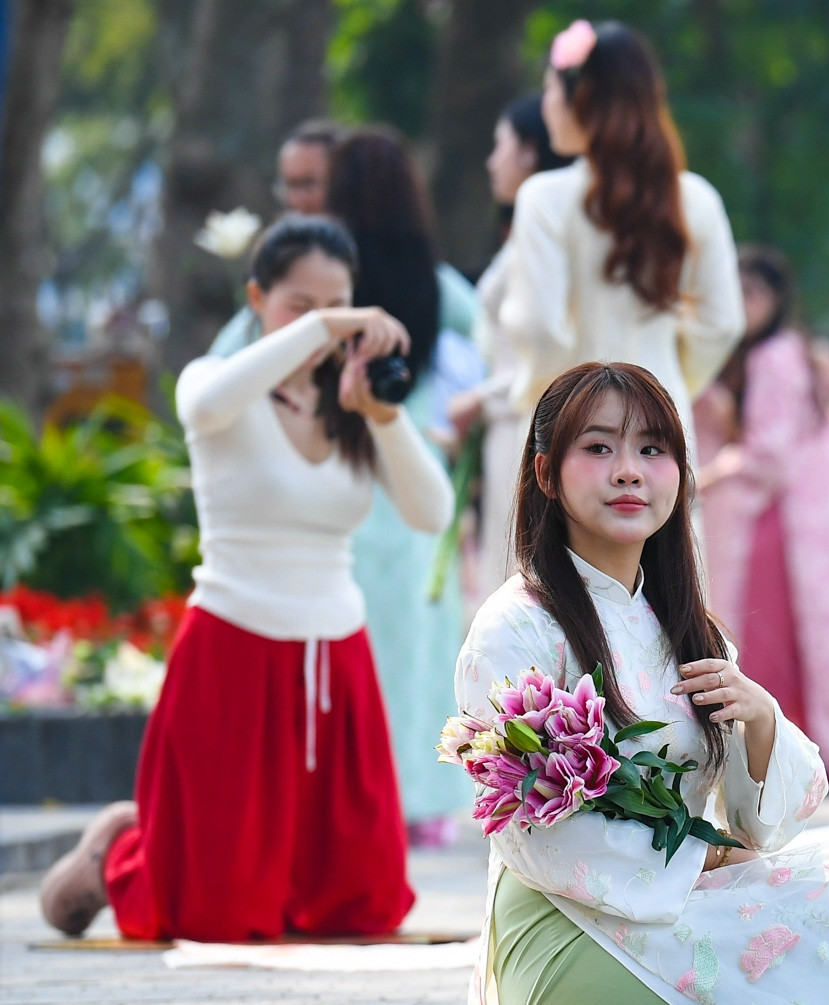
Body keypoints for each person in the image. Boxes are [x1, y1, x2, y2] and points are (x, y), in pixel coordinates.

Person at [456, 361, 829, 1004]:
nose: (627, 471)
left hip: (680, 904)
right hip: (571, 923)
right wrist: (706, 857)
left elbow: (760, 827)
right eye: (598, 448)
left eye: (651, 449)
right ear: (546, 473)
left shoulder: (682, 627)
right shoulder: (516, 627)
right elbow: (527, 830)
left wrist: (760, 718)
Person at [39, 216, 453, 940]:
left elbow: (433, 512)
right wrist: (325, 326)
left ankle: (176, 844)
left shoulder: (353, 406)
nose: (325, 325)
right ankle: (122, 852)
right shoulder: (218, 383)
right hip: (232, 646)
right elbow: (203, 406)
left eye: (339, 304)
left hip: (335, 657)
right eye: (302, 305)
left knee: (363, 904)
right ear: (257, 298)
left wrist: (383, 417)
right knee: (216, 915)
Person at [326, 128, 484, 845]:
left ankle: (348, 795)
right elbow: (490, 346)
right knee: (417, 647)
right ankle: (420, 799)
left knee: (353, 645)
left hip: (339, 468)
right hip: (416, 470)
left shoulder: (329, 287)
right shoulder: (435, 284)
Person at [493, 19, 744, 463]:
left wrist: (539, 395)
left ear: (581, 98)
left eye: (550, 89)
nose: (547, 104)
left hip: (569, 432)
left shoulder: (545, 199)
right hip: (663, 426)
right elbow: (721, 324)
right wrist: (668, 379)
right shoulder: (696, 199)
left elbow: (540, 329)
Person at [695, 247, 829, 785]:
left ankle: (780, 760)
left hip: (777, 518)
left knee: (768, 637)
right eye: (735, 292)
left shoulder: (771, 357)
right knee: (803, 639)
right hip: (806, 516)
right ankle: (813, 753)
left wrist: (707, 474)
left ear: (776, 299)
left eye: (752, 293)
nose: (742, 305)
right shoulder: (793, 352)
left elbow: (767, 454)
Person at [210, 120, 479, 358]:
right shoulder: (280, 270)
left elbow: (482, 337)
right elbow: (220, 361)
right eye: (287, 186)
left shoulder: (432, 285)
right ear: (258, 297)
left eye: (308, 184)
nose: (295, 200)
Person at [449, 93, 575, 595]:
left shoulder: (544, 225)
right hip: (508, 419)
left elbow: (551, 346)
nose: (491, 161)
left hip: (525, 418)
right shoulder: (532, 228)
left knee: (519, 580)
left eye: (499, 145)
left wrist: (483, 397)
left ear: (528, 151)